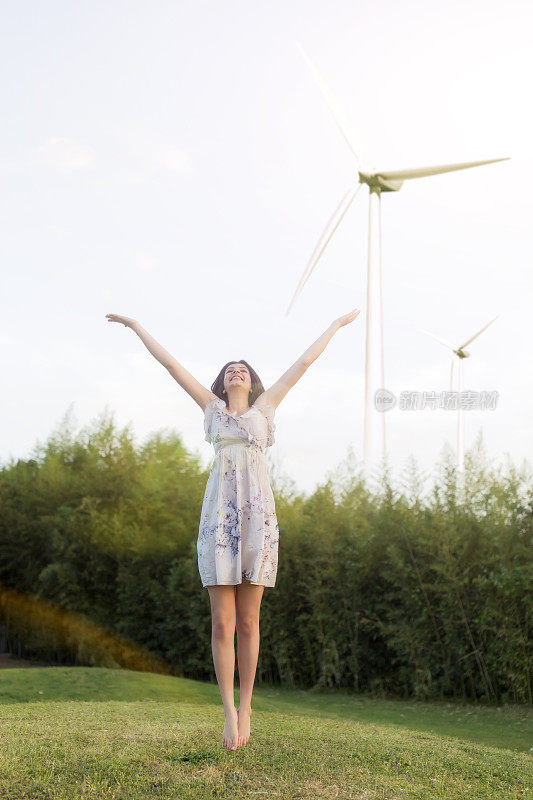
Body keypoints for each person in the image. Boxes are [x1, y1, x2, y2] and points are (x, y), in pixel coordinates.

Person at [105, 308, 360, 751]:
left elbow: (303, 363)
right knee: (222, 624)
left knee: (248, 620)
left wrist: (335, 327)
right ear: (222, 384)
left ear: (251, 381)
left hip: (257, 519)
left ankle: (247, 707)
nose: (236, 371)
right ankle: (226, 712)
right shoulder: (211, 410)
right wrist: (136, 325)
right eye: (229, 370)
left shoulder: (266, 408)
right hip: (220, 519)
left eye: (242, 369)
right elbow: (171, 365)